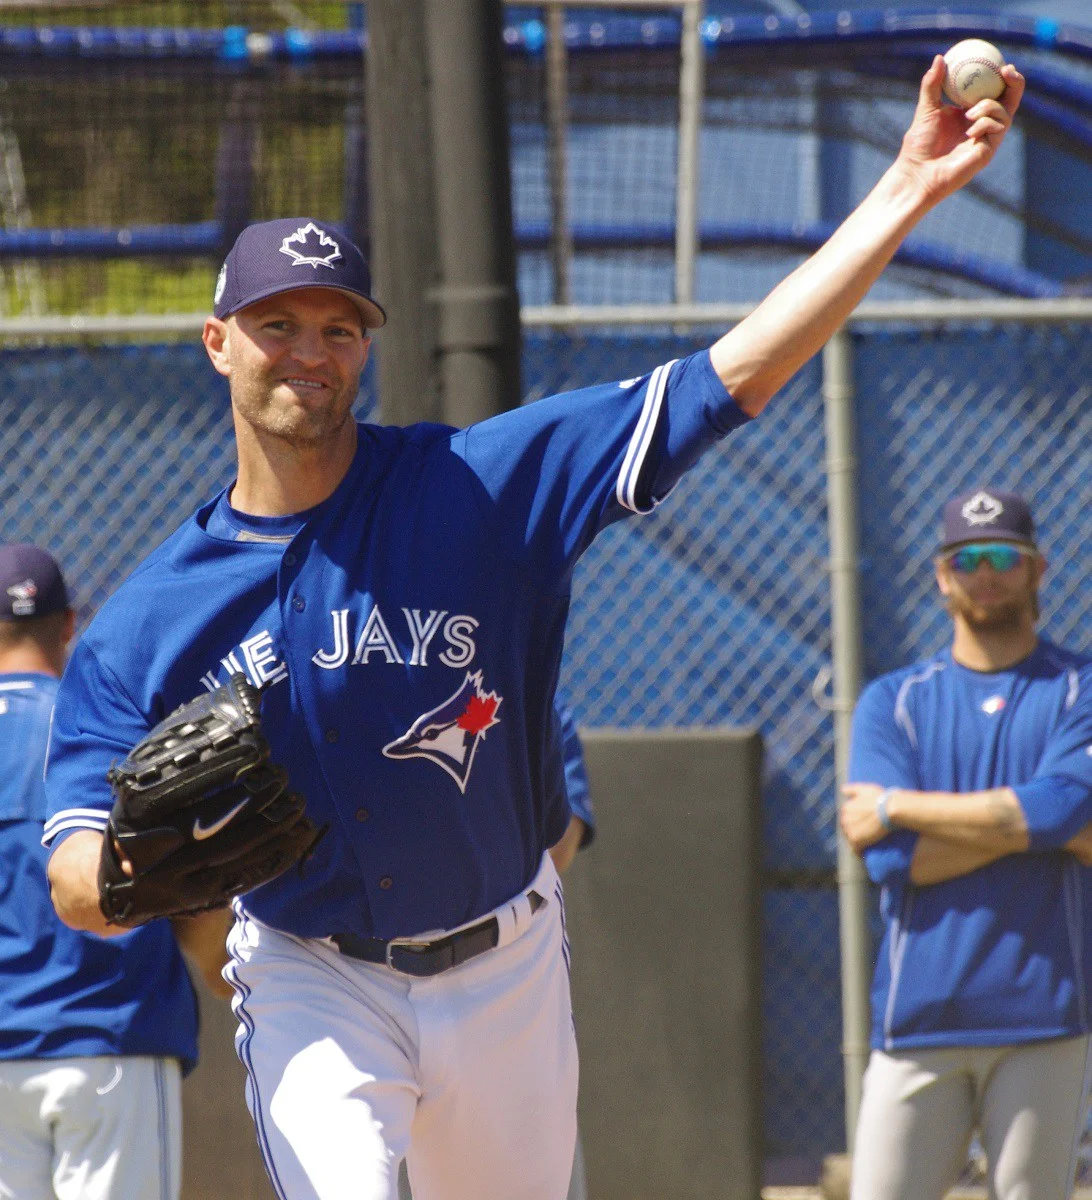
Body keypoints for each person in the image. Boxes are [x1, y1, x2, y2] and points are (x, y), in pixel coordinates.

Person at [43, 58, 1022, 1200]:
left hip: (503, 968)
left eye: (338, 325)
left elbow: (730, 376)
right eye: (276, 324)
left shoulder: (481, 484)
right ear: (217, 342)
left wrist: (908, 184)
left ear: (365, 346)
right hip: (312, 975)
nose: (309, 350)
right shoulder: (153, 611)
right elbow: (72, 871)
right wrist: (131, 871)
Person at [840, 489, 1092, 1200]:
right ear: (941, 575)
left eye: (1004, 557)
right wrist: (1042, 830)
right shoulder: (894, 701)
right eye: (969, 557)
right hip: (920, 1016)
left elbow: (1062, 809)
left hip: (1047, 1013)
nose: (987, 573)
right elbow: (890, 860)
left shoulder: (1080, 689)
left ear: (1038, 569)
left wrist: (896, 806)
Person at [0, 544, 232, 1200]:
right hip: (111, 1048)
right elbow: (192, 899)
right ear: (69, 624)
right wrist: (222, 968)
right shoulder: (108, 734)